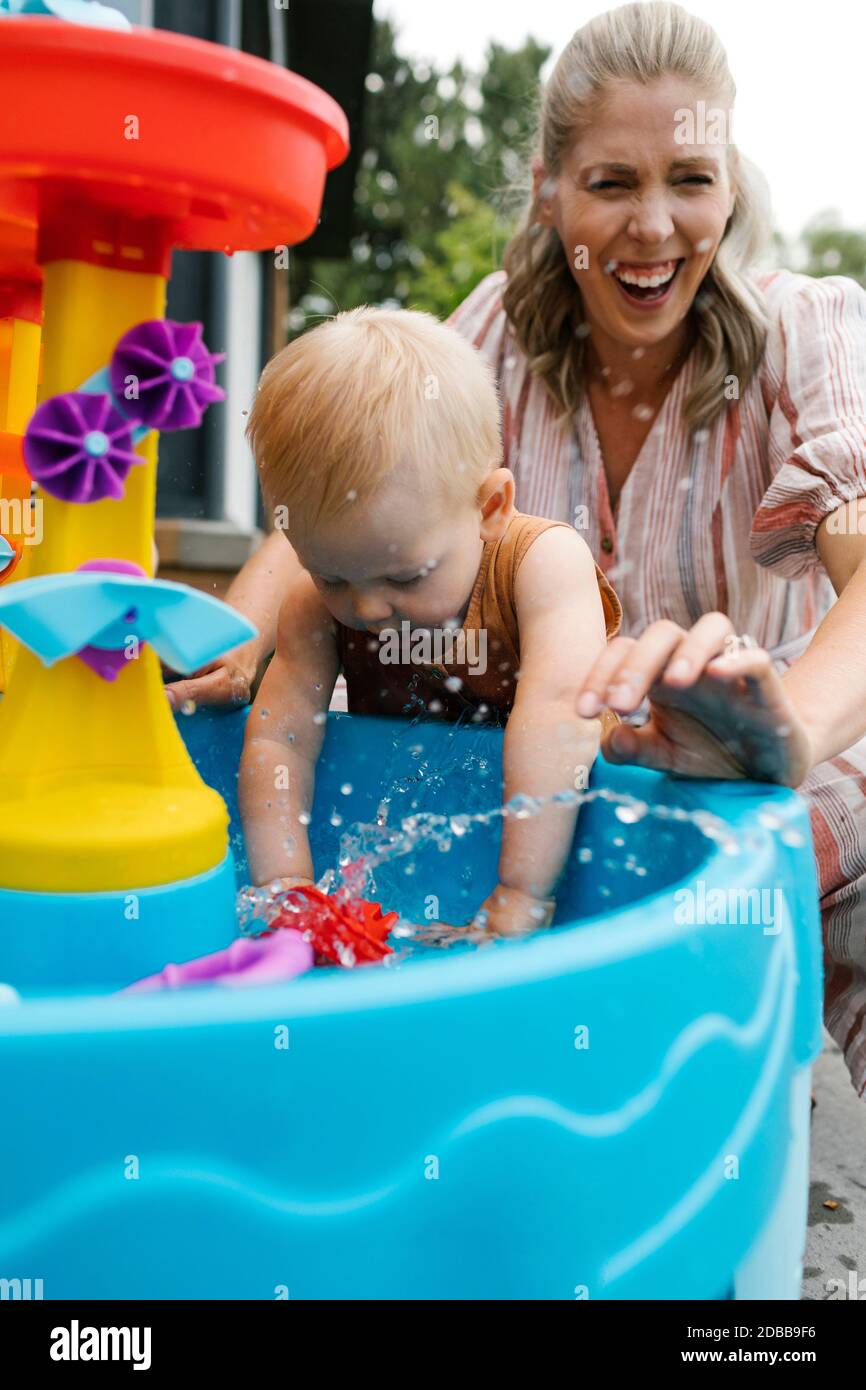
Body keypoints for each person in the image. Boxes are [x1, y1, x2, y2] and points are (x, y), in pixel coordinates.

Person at [168, 2, 866, 1099]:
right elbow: (348, 490)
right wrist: (240, 633)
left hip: (757, 781)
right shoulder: (490, 330)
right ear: (548, 188)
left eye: (688, 178)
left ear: (727, 184)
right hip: (546, 797)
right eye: (608, 184)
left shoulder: (803, 331)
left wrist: (789, 731)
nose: (650, 226)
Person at [237, 306, 621, 937]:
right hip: (419, 825)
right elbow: (278, 741)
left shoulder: (539, 565)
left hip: (566, 835)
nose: (363, 608)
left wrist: (522, 895)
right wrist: (285, 888)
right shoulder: (314, 606)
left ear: (490, 507)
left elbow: (559, 722)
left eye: (405, 577)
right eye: (331, 574)